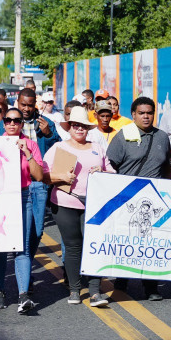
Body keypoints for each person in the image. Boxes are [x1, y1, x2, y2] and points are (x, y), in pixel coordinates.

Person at [43, 106, 114, 307]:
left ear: (88, 128)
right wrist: (61, 177)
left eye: (83, 125)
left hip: (93, 203)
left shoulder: (97, 148)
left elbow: (112, 173)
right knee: (73, 247)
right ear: (69, 127)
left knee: (93, 246)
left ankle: (94, 292)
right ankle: (75, 290)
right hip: (65, 202)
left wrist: (102, 170)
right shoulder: (58, 148)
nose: (79, 129)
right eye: (75, 125)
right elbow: (44, 176)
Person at [106, 96, 171, 301]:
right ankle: (121, 282)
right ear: (133, 115)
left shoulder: (162, 137)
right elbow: (110, 166)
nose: (146, 116)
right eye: (141, 113)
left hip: (154, 200)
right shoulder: (122, 136)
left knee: (151, 244)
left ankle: (151, 287)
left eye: (149, 113)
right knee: (127, 241)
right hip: (127, 199)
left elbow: (167, 168)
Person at [0, 107, 46, 313]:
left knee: (22, 247)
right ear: (3, 123)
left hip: (23, 196)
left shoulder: (30, 143)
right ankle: (0, 291)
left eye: (16, 120)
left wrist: (27, 153)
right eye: (8, 120)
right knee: (0, 248)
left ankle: (23, 295)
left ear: (22, 124)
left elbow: (39, 176)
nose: (12, 123)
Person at [0, 88, 59, 261]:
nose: (26, 108)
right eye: (23, 104)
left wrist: (49, 135)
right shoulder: (7, 121)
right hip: (15, 183)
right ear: (18, 103)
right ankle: (24, 268)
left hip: (38, 181)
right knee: (17, 228)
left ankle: (27, 261)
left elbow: (58, 148)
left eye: (30, 105)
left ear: (35, 105)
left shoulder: (46, 122)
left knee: (37, 231)